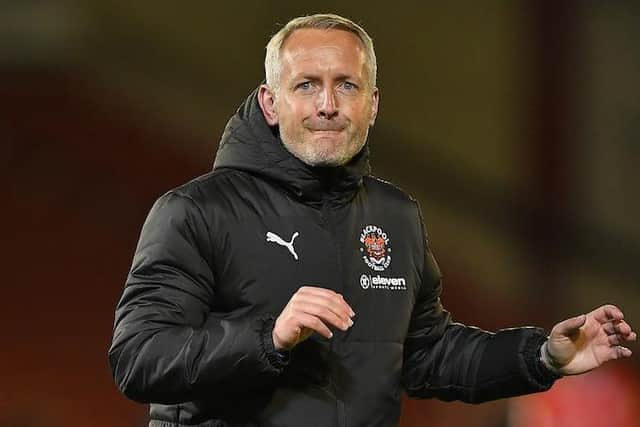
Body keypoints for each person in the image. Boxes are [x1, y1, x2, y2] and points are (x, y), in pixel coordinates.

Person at [108, 13, 636, 427]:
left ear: (374, 103)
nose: (329, 104)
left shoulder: (395, 215)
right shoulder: (196, 211)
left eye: (347, 85)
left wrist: (543, 357)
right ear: (271, 103)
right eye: (307, 85)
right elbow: (138, 359)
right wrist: (267, 337)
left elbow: (429, 355)